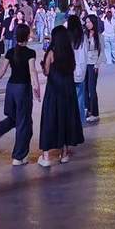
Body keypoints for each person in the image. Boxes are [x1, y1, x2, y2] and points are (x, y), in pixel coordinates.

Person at [0, 23, 40, 164]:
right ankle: (18, 156)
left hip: (11, 88)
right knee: (24, 123)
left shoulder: (11, 52)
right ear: (27, 36)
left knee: (15, 118)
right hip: (23, 89)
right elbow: (32, 71)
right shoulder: (30, 53)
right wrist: (36, 87)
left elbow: (2, 70)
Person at [37, 26, 84, 166]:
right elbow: (73, 68)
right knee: (66, 119)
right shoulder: (70, 52)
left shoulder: (51, 52)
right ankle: (64, 154)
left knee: (50, 119)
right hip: (68, 90)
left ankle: (46, 156)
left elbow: (46, 72)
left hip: (54, 90)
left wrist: (43, 64)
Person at [67, 15, 87, 124]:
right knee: (80, 96)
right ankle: (81, 120)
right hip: (81, 70)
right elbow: (85, 53)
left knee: (69, 97)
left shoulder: (67, 37)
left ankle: (71, 121)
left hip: (70, 70)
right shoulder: (83, 37)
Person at [84, 14, 101, 122]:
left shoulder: (99, 36)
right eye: (86, 22)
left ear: (93, 23)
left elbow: (101, 52)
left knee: (92, 88)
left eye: (89, 22)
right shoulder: (84, 35)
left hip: (93, 64)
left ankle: (95, 113)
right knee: (84, 88)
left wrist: (97, 64)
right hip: (84, 63)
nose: (87, 24)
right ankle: (87, 109)